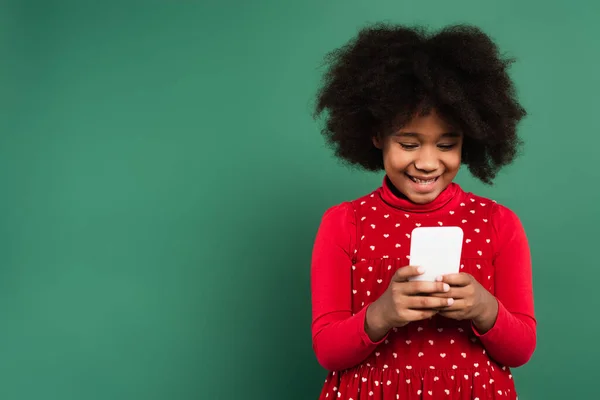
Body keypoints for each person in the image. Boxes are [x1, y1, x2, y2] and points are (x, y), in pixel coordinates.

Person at [310, 23, 536, 400]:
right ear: (377, 136)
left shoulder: (499, 223)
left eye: (447, 144)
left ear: (471, 139)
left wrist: (485, 309)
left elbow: (522, 348)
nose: (428, 162)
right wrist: (381, 314)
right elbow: (327, 351)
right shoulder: (343, 222)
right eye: (409, 143)